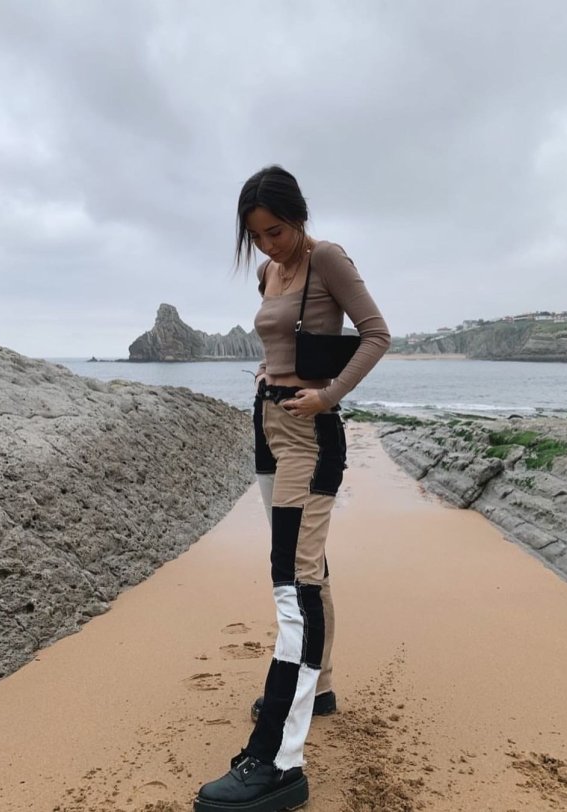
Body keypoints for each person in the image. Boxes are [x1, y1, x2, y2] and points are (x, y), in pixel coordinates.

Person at [194, 166, 391, 812]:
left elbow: (377, 334)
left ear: (298, 217)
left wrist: (328, 395)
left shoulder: (326, 258)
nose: (268, 246)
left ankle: (280, 760)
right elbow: (279, 338)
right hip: (268, 427)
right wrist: (267, 376)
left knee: (293, 583)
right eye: (257, 237)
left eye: (275, 232)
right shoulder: (268, 273)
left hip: (311, 435)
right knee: (310, 567)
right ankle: (321, 683)